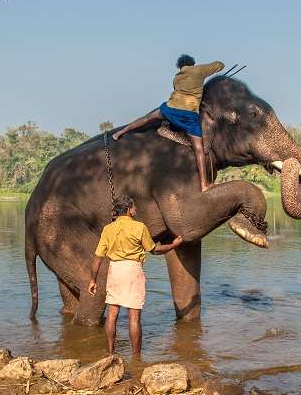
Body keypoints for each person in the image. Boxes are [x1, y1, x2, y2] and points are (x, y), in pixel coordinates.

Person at [112, 54, 224, 192]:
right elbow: (220, 65)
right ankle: (204, 184)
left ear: (179, 66)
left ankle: (120, 133)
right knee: (199, 149)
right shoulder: (199, 70)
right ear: (192, 63)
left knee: (146, 119)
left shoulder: (177, 78)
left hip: (170, 109)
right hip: (189, 115)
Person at [88, 195, 183, 355]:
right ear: (128, 210)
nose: (136, 210)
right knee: (134, 316)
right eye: (134, 207)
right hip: (132, 270)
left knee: (112, 315)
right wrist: (173, 245)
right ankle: (136, 357)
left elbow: (98, 257)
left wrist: (93, 280)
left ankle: (110, 353)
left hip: (115, 270)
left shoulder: (108, 229)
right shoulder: (139, 227)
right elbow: (154, 250)